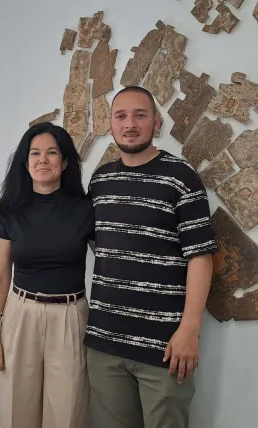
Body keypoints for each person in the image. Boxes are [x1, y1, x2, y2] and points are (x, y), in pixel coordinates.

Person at [85, 85, 217, 428]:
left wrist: (190, 329)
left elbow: (201, 258)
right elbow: (84, 238)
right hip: (104, 343)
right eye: (121, 116)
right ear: (111, 124)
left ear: (156, 122)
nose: (130, 124)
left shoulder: (180, 177)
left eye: (140, 115)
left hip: (165, 349)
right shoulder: (100, 181)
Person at [0, 122, 94, 428]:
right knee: (18, 410)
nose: (42, 159)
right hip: (21, 314)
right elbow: (2, 274)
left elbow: (111, 260)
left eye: (51, 152)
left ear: (66, 162)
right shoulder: (9, 211)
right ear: (25, 161)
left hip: (70, 317)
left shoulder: (86, 209)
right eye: (35, 153)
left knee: (67, 412)